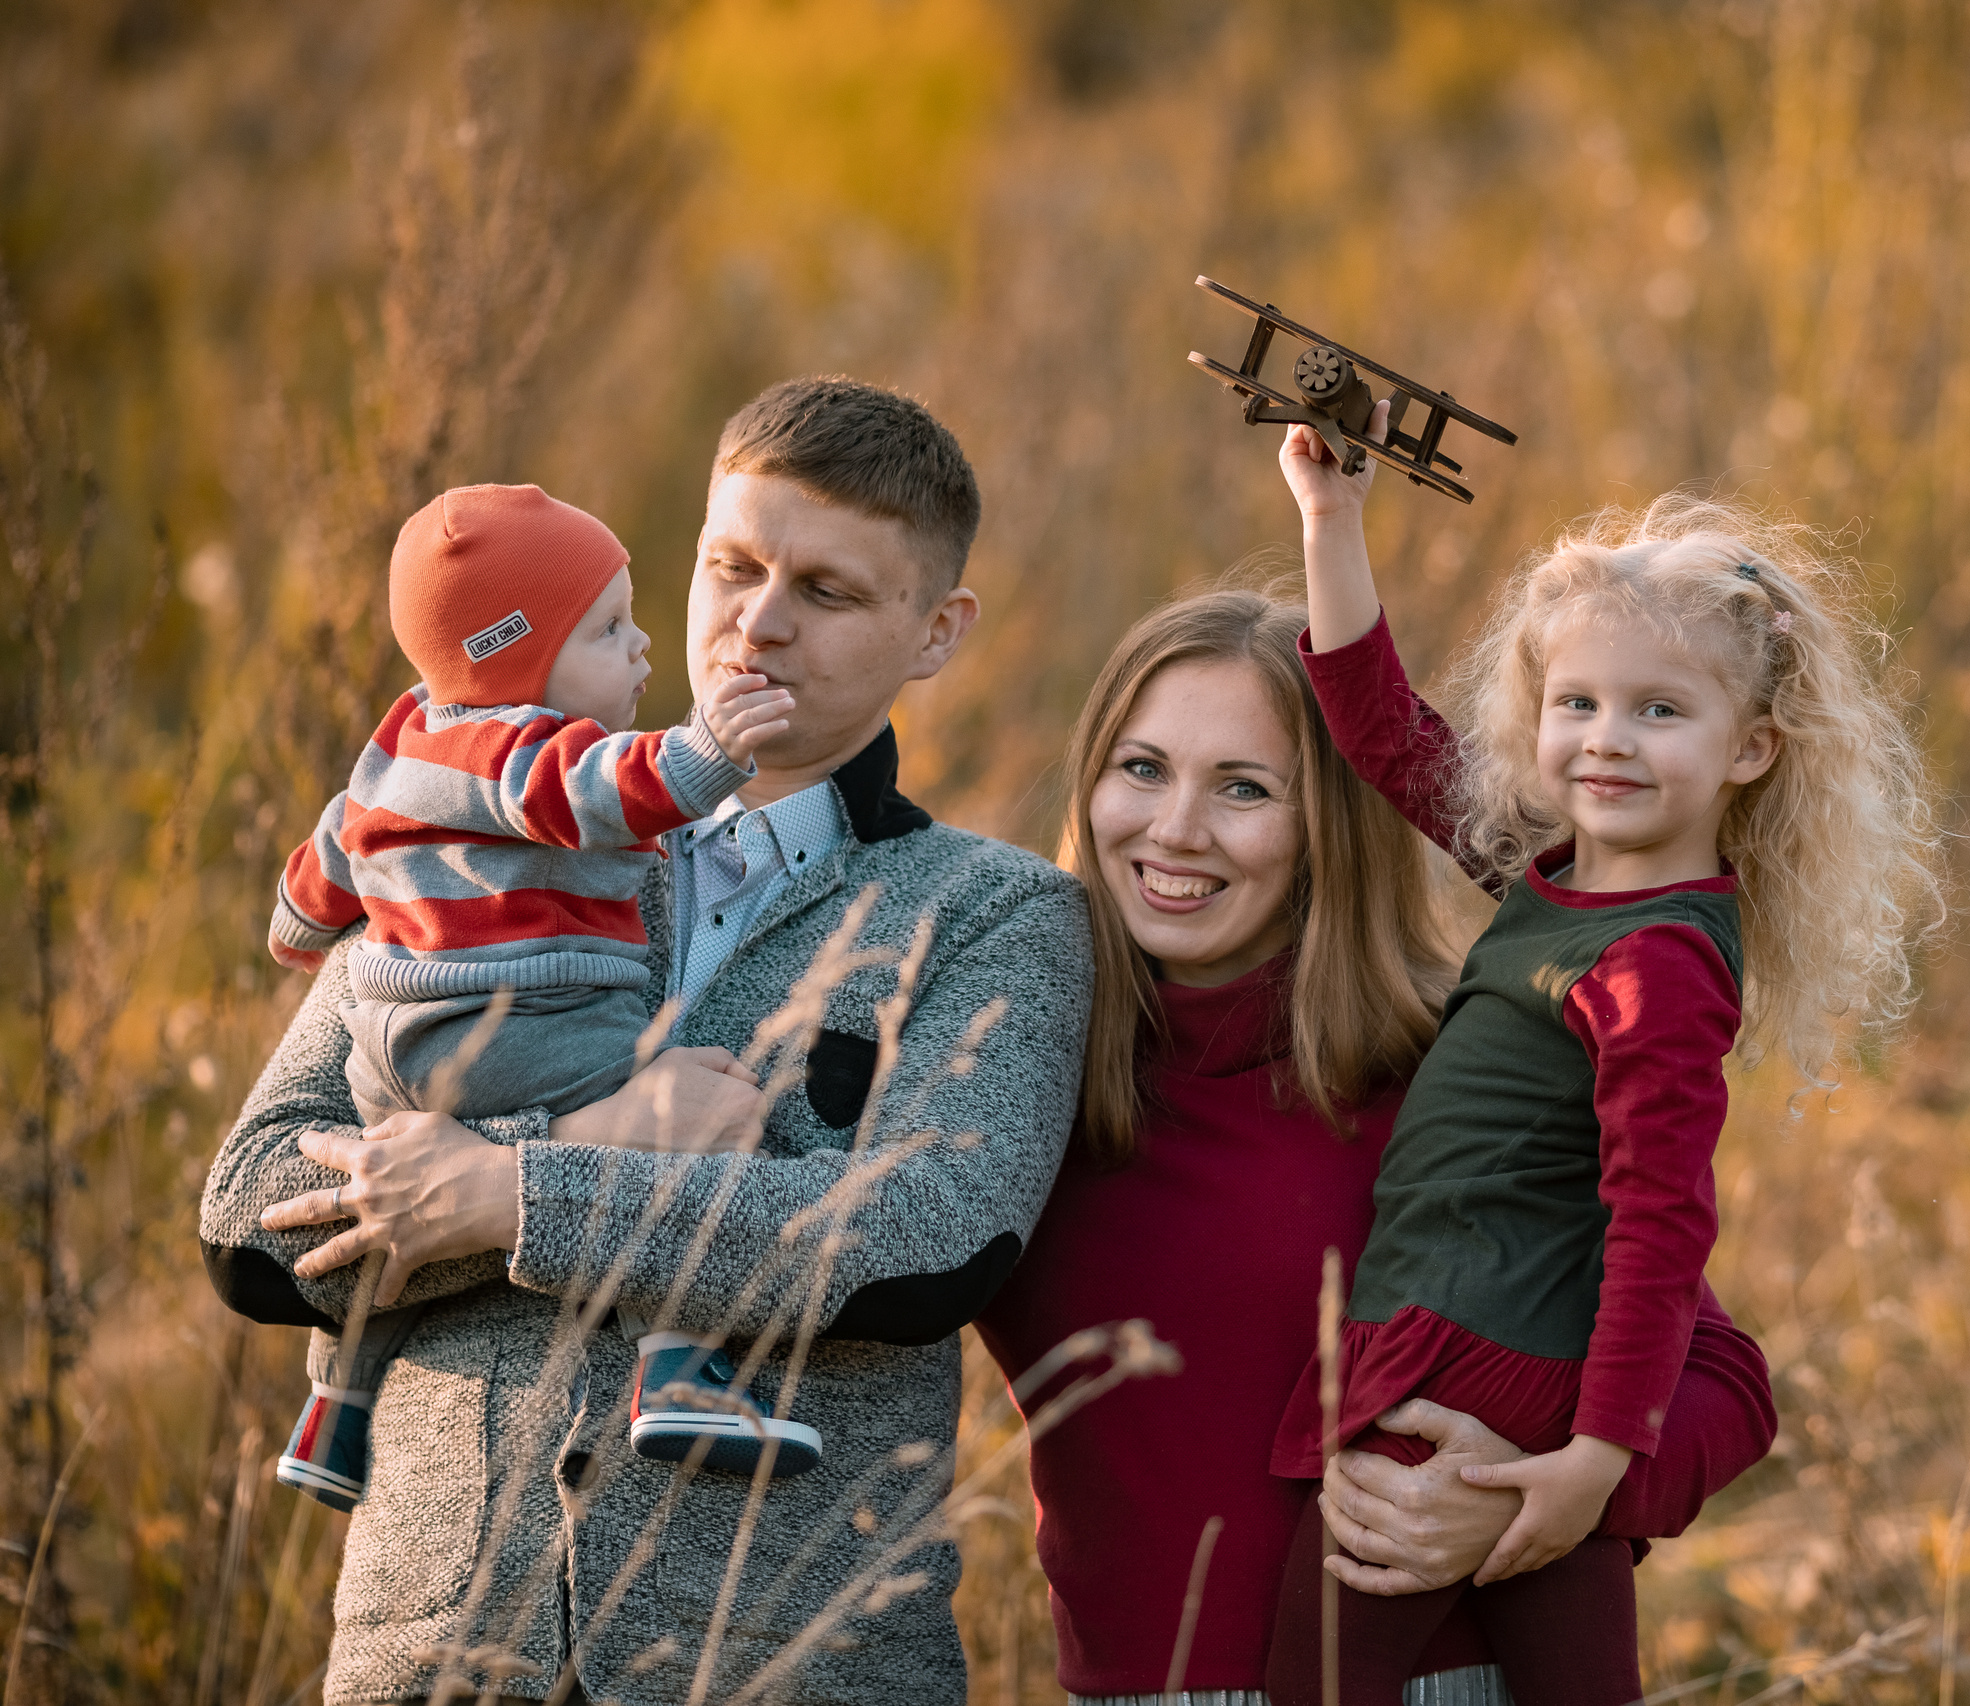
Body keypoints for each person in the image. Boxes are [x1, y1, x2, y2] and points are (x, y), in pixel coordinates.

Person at [198, 378, 1093, 1706]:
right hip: (435, 1661)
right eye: (731, 566)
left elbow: (921, 1241)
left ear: (935, 632)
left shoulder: (998, 912)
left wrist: (506, 1191)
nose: (757, 623)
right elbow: (251, 1211)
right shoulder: (474, 828)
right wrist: (569, 1140)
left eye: (828, 592)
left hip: (789, 1668)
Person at [974, 589, 1781, 1706]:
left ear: (1328, 829)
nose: (1174, 830)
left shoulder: (1443, 1078)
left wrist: (1538, 1497)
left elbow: (1725, 1381)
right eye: (1142, 767)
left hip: (1445, 1673)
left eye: (1244, 788)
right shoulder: (1011, 1083)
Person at [1262, 418, 1948, 1705]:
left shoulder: (1656, 965)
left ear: (1749, 747)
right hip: (1523, 1370)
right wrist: (1331, 522)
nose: (1605, 741)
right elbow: (1385, 733)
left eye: (1658, 710)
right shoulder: (1559, 873)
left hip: (1470, 1376)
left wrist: (1597, 1458)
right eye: (1575, 703)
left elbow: (1660, 1219)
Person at [263, 482, 816, 1516]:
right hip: (521, 1027)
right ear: (515, 655)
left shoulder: (394, 747)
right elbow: (606, 791)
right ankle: (682, 1364)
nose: (644, 645)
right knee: (690, 1120)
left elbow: (325, 860)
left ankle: (335, 1409)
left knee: (387, 1218)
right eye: (607, 627)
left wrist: (298, 932)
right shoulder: (522, 750)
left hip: (388, 1047)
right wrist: (711, 746)